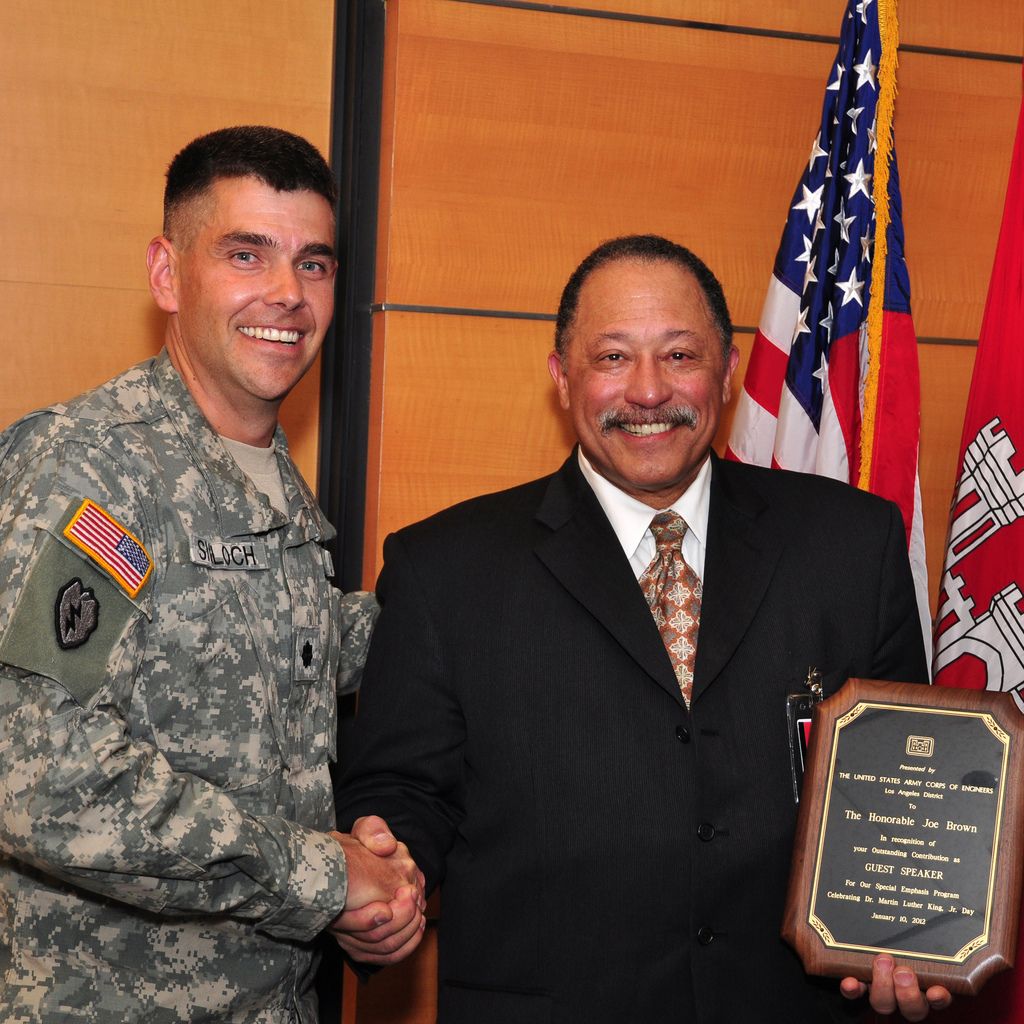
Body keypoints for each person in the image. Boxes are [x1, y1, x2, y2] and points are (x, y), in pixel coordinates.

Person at [335, 235, 952, 1022]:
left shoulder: (852, 546)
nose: (650, 391)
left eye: (681, 355)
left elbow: (909, 789)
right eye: (613, 358)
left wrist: (918, 937)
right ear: (563, 378)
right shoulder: (443, 568)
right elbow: (403, 790)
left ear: (728, 372)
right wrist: (392, 873)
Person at [0, 126, 424, 1023]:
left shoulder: (267, 480)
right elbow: (36, 771)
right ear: (167, 273)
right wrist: (324, 876)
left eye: (314, 264)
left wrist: (478, 605)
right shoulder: (99, 476)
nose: (288, 295)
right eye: (246, 254)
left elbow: (285, 657)